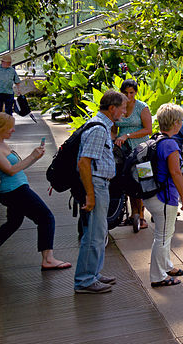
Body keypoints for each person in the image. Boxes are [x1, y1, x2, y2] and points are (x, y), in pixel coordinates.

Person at [0, 113, 70, 270]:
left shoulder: (2, 144)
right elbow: (10, 170)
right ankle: (48, 259)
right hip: (14, 191)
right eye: (10, 128)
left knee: (12, 224)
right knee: (46, 217)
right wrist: (32, 156)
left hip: (17, 188)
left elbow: (18, 167)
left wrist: (35, 157)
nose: (13, 130)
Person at [74, 90, 126, 294]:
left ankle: (93, 273)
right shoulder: (98, 129)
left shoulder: (102, 126)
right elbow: (84, 162)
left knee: (99, 231)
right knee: (94, 234)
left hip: (99, 184)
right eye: (122, 108)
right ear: (112, 108)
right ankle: (85, 280)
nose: (124, 112)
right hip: (96, 184)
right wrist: (90, 194)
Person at [144, 103, 183, 288]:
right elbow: (175, 173)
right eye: (180, 120)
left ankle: (167, 266)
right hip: (164, 198)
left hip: (153, 194)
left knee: (167, 233)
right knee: (162, 237)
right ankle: (157, 276)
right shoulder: (171, 144)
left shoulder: (158, 139)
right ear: (175, 123)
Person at [113, 79, 152, 231]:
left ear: (136, 92)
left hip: (142, 151)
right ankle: (132, 214)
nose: (129, 95)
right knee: (126, 180)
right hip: (122, 150)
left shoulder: (142, 107)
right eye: (126, 92)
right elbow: (114, 128)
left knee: (143, 180)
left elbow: (148, 129)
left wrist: (128, 135)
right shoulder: (118, 107)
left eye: (132, 92)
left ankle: (141, 215)